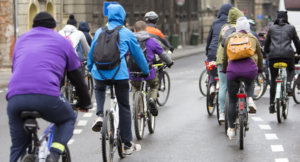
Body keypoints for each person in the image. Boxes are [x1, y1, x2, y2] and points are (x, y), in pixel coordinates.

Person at [7, 12, 92, 162]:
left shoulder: (21, 40)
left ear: (33, 26)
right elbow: (76, 76)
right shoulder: (63, 41)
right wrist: (84, 102)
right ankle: (54, 154)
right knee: (68, 118)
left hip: (15, 97)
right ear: (54, 27)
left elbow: (16, 69)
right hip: (47, 95)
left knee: (18, 146)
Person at [88, 4, 149, 155]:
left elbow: (91, 53)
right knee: (124, 106)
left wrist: (90, 68)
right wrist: (145, 71)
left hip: (99, 73)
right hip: (119, 74)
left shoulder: (99, 32)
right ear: (122, 17)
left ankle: (100, 115)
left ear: (108, 17)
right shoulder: (127, 33)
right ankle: (127, 145)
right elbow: (138, 55)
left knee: (99, 88)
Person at [222, 17, 263, 140]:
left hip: (233, 71)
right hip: (249, 70)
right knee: (250, 80)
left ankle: (232, 129)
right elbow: (260, 56)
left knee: (233, 101)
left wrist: (225, 69)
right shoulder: (253, 38)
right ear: (248, 28)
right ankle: (250, 98)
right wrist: (259, 69)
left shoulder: (230, 38)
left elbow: (224, 57)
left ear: (237, 28)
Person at [129, 21, 174, 116]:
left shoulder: (130, 41)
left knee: (135, 87)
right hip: (148, 73)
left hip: (133, 73)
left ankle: (136, 108)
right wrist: (169, 62)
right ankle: (152, 99)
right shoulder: (151, 41)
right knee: (154, 85)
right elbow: (162, 54)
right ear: (146, 30)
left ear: (134, 30)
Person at [264, 11, 300, 114]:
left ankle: (271, 105)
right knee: (292, 69)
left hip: (273, 57)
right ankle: (288, 83)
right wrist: (298, 51)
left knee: (273, 80)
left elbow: (267, 43)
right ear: (286, 18)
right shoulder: (291, 28)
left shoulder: (271, 28)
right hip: (287, 56)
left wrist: (267, 51)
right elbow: (296, 42)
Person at [215, 7, 243, 121]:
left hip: (222, 58)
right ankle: (240, 106)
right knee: (241, 83)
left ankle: (221, 112)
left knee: (222, 85)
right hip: (237, 59)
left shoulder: (224, 27)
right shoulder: (242, 27)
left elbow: (219, 42)